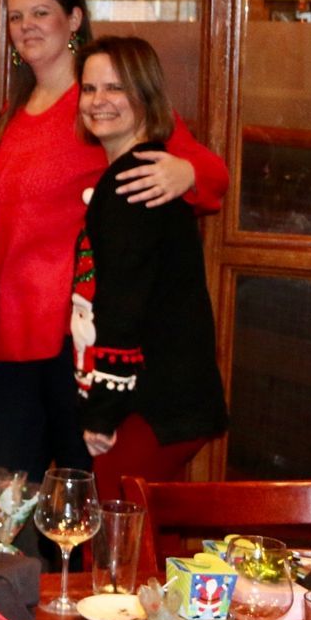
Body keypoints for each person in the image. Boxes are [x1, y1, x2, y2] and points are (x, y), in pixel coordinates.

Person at [0, 0, 228, 477]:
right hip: (10, 332)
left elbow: (203, 170)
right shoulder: (14, 108)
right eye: (15, 17)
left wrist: (186, 172)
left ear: (73, 19)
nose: (27, 25)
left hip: (72, 340)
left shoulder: (107, 102)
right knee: (6, 493)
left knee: (79, 501)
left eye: (41, 13)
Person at [71, 37, 228, 500]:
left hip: (148, 405)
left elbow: (123, 305)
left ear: (146, 96)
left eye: (115, 88)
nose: (99, 101)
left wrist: (103, 410)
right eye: (89, 88)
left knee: (117, 551)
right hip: (172, 400)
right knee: (156, 537)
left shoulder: (131, 183)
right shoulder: (142, 169)